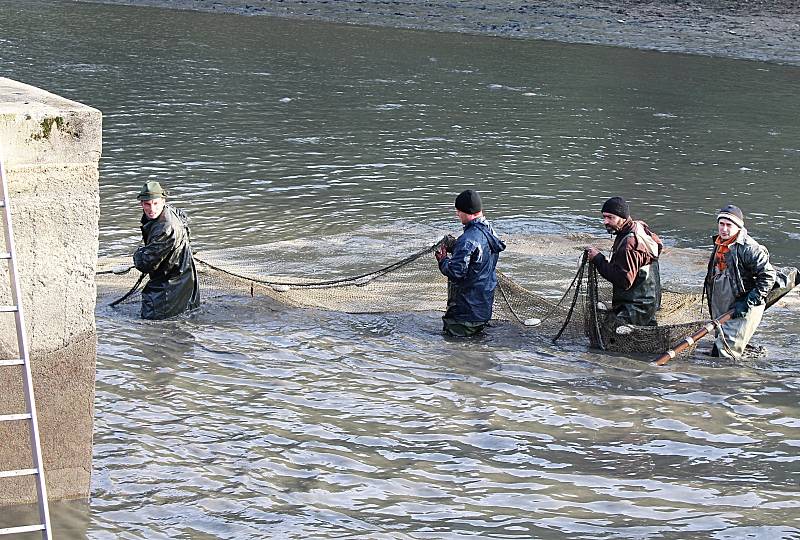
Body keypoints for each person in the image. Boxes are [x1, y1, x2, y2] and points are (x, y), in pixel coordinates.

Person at [704, 204, 776, 358]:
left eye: (728, 225)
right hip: (723, 299)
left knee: (727, 352)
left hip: (743, 303)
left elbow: (769, 276)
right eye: (721, 224)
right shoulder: (719, 242)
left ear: (738, 227)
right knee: (720, 341)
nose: (724, 229)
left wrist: (749, 301)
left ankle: (729, 379)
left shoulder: (750, 248)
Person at [435, 189, 506, 337]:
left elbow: (456, 272)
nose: (457, 214)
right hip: (483, 309)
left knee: (454, 352)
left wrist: (443, 260)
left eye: (459, 211)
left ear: (468, 212)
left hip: (464, 314)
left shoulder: (467, 240)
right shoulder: (490, 231)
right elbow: (478, 260)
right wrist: (456, 247)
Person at [585, 196, 663, 326]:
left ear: (623, 218)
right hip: (650, 304)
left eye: (610, 217)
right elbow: (658, 246)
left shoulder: (629, 244)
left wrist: (598, 259)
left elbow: (624, 281)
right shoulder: (639, 228)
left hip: (636, 309)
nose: (605, 222)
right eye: (604, 217)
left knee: (609, 331)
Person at [132, 181, 200, 320]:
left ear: (163, 201)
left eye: (155, 203)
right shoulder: (170, 211)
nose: (152, 209)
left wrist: (138, 253)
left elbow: (144, 263)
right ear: (141, 204)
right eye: (147, 204)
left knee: (152, 326)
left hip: (171, 284)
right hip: (183, 277)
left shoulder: (166, 228)